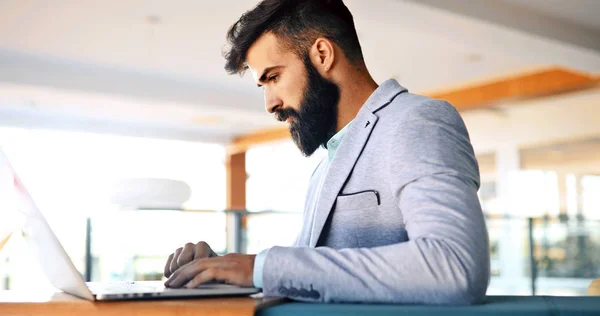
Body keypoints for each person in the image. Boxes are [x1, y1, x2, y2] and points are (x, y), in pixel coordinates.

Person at [163, 0, 490, 304]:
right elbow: (312, 272)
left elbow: (454, 265)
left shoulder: (416, 121)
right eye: (264, 86)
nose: (270, 103)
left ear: (322, 54)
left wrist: (261, 268)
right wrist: (221, 270)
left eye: (274, 77)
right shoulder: (324, 168)